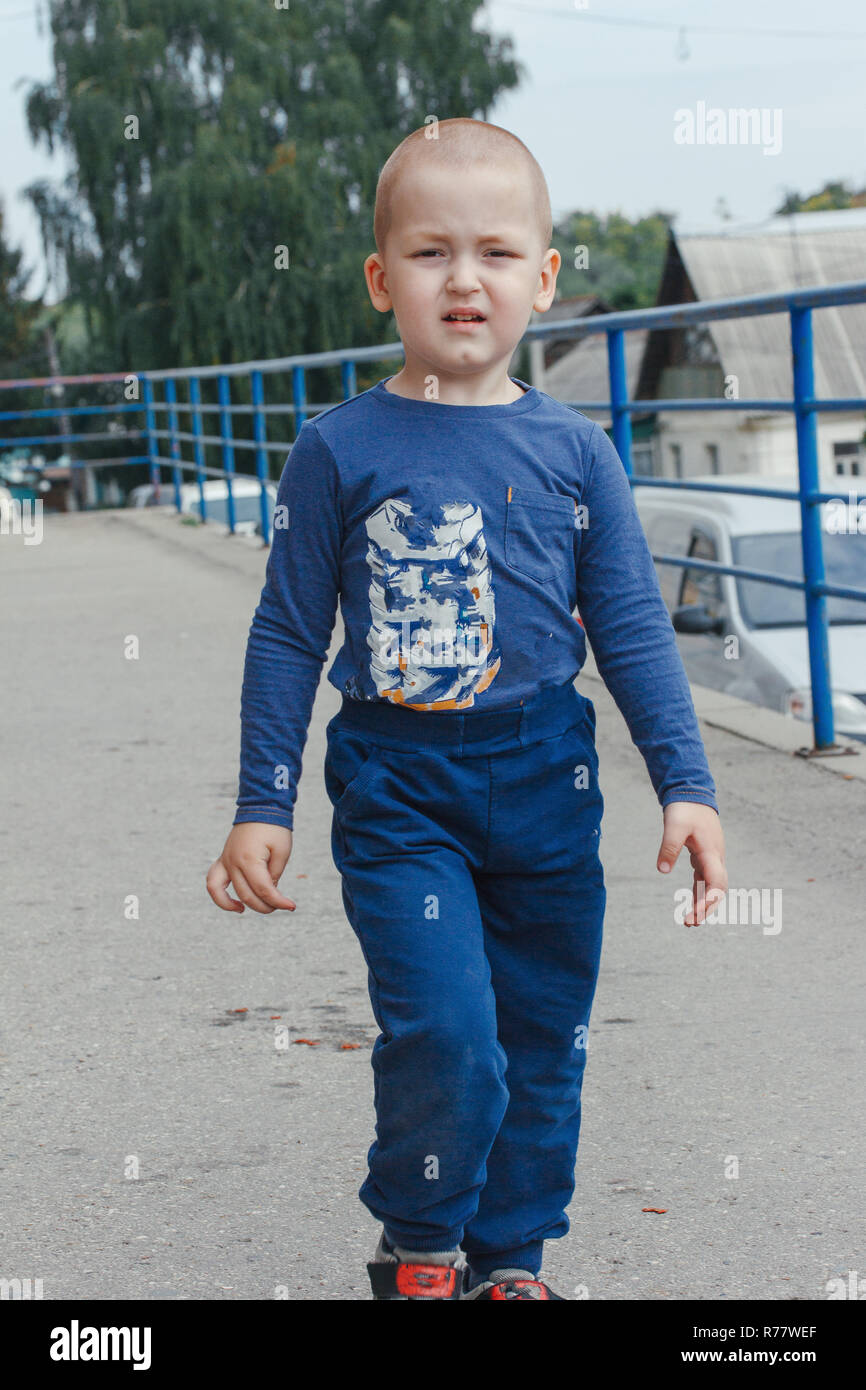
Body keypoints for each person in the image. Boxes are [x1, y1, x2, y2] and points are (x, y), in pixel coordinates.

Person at [206, 118, 727, 1301]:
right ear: (382, 278)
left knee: (541, 1042)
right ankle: (420, 1239)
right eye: (431, 252)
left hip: (546, 777)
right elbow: (290, 632)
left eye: (495, 252)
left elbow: (633, 630)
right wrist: (261, 802)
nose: (463, 278)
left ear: (541, 280)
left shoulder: (576, 452)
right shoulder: (336, 449)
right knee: (449, 1034)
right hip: (398, 785)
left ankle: (507, 1260)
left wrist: (684, 783)